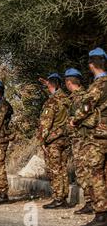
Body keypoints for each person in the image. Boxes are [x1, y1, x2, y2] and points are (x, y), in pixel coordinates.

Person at [71, 47, 107, 226]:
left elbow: (86, 107)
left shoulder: (98, 85)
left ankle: (101, 215)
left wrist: (74, 120)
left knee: (96, 174)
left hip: (99, 137)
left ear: (91, 65)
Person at [37, 73, 71, 209]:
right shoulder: (67, 99)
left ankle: (58, 198)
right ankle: (63, 197)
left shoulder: (51, 102)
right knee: (63, 169)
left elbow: (46, 124)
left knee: (55, 169)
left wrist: (42, 141)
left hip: (53, 140)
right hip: (65, 139)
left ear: (50, 85)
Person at [65, 68, 94, 214]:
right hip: (82, 139)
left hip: (81, 139)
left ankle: (90, 202)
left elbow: (81, 117)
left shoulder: (79, 98)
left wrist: (73, 122)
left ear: (69, 82)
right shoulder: (83, 96)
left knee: (83, 171)